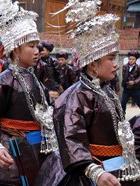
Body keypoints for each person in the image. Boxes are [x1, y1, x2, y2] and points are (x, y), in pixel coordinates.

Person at [0, 1, 63, 185]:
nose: (37, 52)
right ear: (16, 49)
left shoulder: (35, 78)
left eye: (37, 46)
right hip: (10, 147)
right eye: (31, 46)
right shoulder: (2, 80)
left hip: (36, 145)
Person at [53, 1, 140, 185]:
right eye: (110, 58)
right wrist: (95, 171)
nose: (116, 64)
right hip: (91, 172)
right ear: (93, 64)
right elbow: (72, 139)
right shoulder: (74, 97)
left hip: (116, 167)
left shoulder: (105, 90)